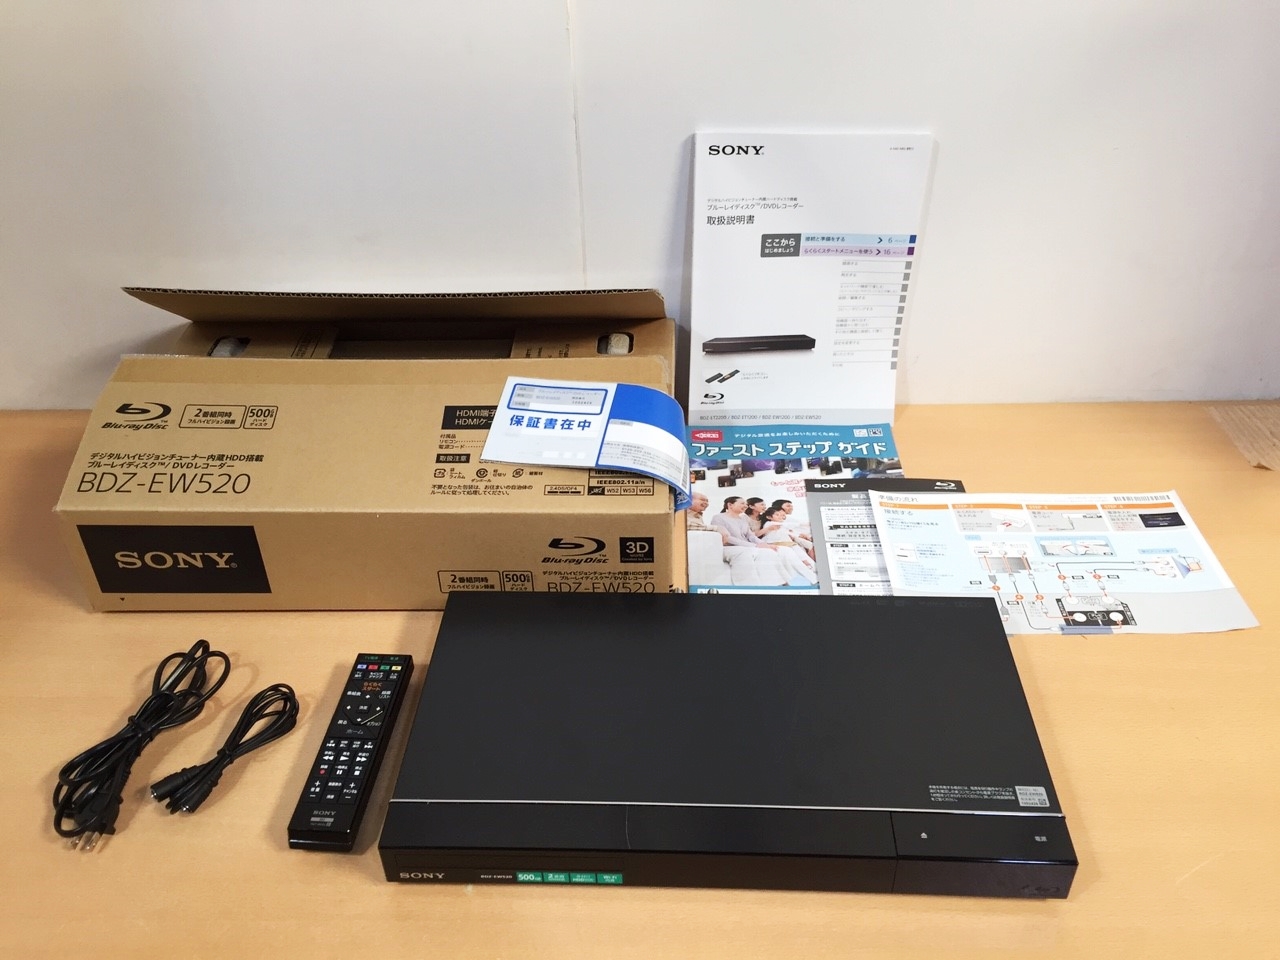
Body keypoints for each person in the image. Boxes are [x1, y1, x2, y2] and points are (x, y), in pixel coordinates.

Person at [687, 493, 788, 586]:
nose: (745, 506)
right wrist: (755, 546)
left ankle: (776, 584)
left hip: (746, 547)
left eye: (746, 504)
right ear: (730, 505)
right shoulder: (718, 517)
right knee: (746, 553)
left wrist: (764, 545)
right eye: (742, 503)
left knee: (767, 552)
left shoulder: (743, 519)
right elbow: (728, 538)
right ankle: (748, 587)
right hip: (729, 547)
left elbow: (751, 536)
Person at [759, 506, 819, 584]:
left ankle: (816, 576)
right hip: (777, 545)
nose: (780, 516)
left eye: (780, 515)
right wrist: (808, 524)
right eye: (777, 515)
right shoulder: (770, 523)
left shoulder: (779, 525)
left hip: (787, 544)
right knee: (798, 563)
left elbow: (789, 532)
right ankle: (814, 579)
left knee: (805, 560)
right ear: (769, 517)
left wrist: (800, 535)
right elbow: (792, 525)